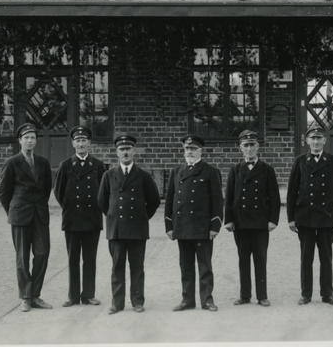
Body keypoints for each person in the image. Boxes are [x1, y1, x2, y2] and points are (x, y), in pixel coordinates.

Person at [96, 133, 161, 314]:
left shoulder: (143, 176)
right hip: (116, 229)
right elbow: (102, 201)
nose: (125, 152)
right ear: (116, 152)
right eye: (122, 149)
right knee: (117, 267)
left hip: (137, 229)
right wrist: (113, 216)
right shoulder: (108, 175)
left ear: (134, 151)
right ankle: (117, 303)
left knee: (137, 267)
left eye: (128, 149)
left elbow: (154, 200)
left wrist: (142, 217)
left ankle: (137, 301)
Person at [286, 124, 333, 306]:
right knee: (306, 257)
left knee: (326, 258)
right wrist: (291, 218)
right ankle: (306, 294)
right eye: (312, 138)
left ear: (324, 140)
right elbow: (292, 192)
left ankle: (327, 294)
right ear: (307, 141)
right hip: (305, 216)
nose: (315, 142)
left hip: (327, 217)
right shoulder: (299, 161)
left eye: (319, 138)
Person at [165, 133, 224, 312]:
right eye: (187, 148)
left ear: (200, 151)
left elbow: (217, 201)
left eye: (193, 148)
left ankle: (207, 300)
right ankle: (187, 300)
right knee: (186, 266)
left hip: (202, 227)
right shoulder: (176, 171)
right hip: (182, 226)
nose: (190, 151)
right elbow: (169, 201)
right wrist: (169, 226)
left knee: (205, 266)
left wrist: (215, 226)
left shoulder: (210, 171)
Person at [0, 122, 53, 312]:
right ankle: (26, 297)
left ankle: (35, 295)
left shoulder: (43, 162)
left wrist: (38, 206)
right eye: (26, 138)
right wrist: (14, 211)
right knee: (22, 257)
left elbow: (46, 188)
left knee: (42, 253)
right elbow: (4, 193)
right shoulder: (12, 162)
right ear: (20, 140)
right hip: (20, 215)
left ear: (36, 141)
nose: (30, 141)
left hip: (39, 215)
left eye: (33, 138)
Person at [224, 129, 281, 307]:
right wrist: (228, 220)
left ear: (257, 147)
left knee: (260, 259)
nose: (249, 149)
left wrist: (272, 220)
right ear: (240, 148)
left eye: (252, 145)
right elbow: (229, 197)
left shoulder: (267, 170)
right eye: (246, 145)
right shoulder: (235, 170)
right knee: (243, 259)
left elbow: (274, 197)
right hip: (240, 222)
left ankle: (262, 295)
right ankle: (245, 295)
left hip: (260, 222)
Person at [53, 126, 107, 307]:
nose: (81, 144)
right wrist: (70, 208)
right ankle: (73, 296)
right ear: (73, 144)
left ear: (89, 143)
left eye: (84, 140)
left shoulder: (98, 165)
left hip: (92, 218)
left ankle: (89, 295)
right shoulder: (65, 165)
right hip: (72, 219)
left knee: (90, 258)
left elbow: (104, 192)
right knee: (73, 258)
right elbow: (59, 192)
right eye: (78, 141)